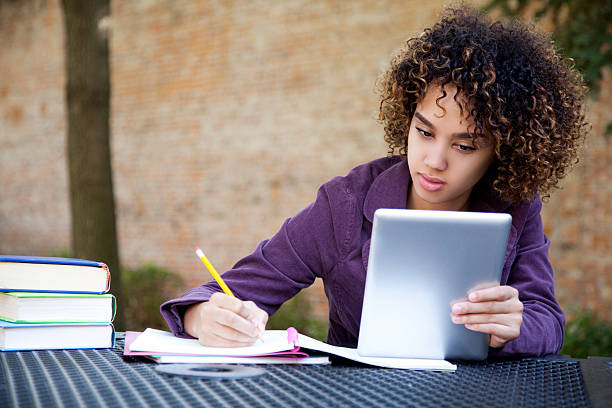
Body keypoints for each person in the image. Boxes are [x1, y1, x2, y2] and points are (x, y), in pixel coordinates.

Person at [161, 4, 587, 357]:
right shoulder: (343, 204)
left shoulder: (516, 205)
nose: (434, 161)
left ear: (502, 150)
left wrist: (514, 326)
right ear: (407, 117)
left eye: (464, 146)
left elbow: (546, 322)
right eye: (424, 132)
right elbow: (223, 293)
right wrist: (205, 318)